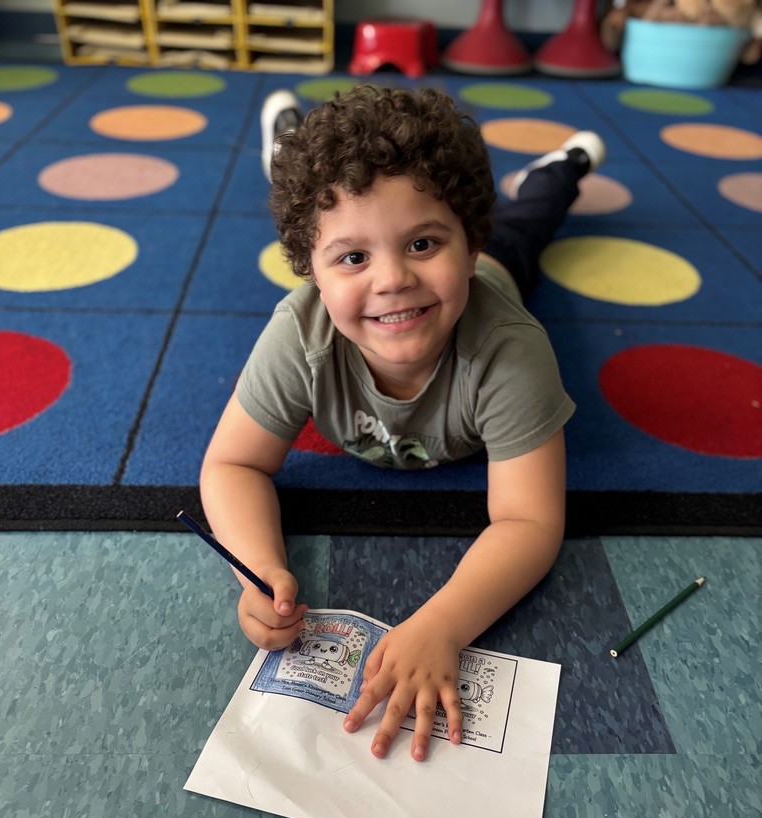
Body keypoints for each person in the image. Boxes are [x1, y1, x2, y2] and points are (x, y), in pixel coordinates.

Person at [200, 84, 605, 763]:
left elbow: (531, 521)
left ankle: (557, 169)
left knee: (530, 221)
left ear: (466, 246)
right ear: (311, 274)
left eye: (423, 243)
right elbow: (232, 464)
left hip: (503, 268)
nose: (392, 279)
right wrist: (260, 569)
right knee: (304, 174)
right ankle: (289, 137)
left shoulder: (509, 350)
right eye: (352, 258)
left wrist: (442, 624)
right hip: (354, 228)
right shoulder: (298, 337)